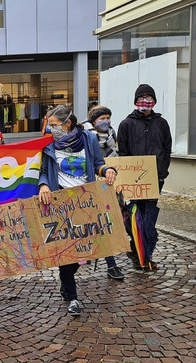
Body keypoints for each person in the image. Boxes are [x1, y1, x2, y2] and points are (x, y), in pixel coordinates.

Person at [37, 105, 117, 316]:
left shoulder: (89, 139)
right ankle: (72, 297)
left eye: (54, 125)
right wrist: (44, 185)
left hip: (86, 204)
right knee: (66, 253)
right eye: (49, 125)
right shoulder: (49, 144)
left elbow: (99, 164)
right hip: (61, 205)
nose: (50, 129)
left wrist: (108, 170)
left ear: (67, 124)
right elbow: (43, 171)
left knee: (85, 253)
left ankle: (65, 281)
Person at [117, 84, 172, 271]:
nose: (146, 102)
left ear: (154, 102)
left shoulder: (161, 123)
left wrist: (162, 170)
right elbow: (122, 153)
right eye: (142, 98)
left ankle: (144, 255)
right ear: (136, 101)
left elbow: (167, 148)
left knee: (149, 220)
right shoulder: (126, 124)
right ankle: (138, 250)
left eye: (150, 99)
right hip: (135, 182)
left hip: (155, 179)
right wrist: (127, 176)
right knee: (135, 217)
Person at [82, 106, 125, 280]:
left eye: (108, 117)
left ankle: (111, 264)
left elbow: (118, 160)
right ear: (94, 121)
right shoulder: (85, 138)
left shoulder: (112, 136)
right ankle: (87, 252)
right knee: (90, 224)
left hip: (109, 186)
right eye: (102, 118)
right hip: (91, 186)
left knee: (106, 224)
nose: (106, 121)